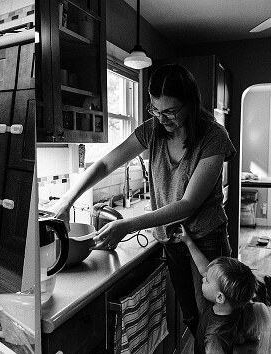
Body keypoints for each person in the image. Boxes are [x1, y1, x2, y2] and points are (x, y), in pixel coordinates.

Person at [47, 64, 235, 335]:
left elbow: (188, 204)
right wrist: (67, 199)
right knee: (192, 318)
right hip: (172, 239)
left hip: (206, 239)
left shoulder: (213, 137)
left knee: (216, 321)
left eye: (170, 111)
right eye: (155, 110)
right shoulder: (152, 130)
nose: (162, 119)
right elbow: (106, 164)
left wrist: (127, 225)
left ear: (190, 103)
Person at [176, 225, 270, 353]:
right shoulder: (231, 306)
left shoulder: (215, 337)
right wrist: (189, 242)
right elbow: (205, 270)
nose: (203, 279)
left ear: (220, 297)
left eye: (207, 280)